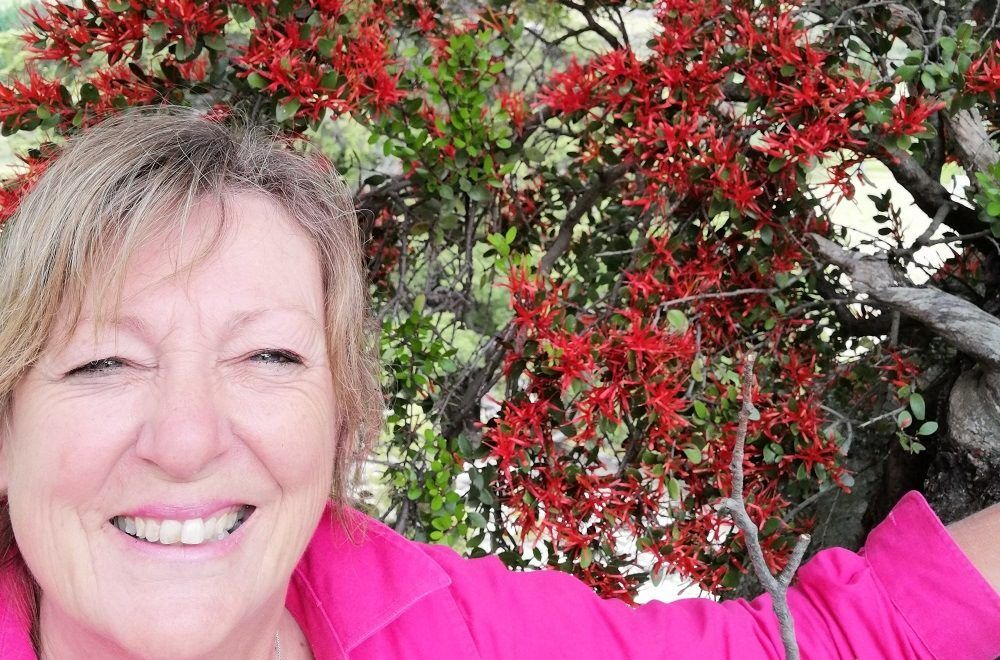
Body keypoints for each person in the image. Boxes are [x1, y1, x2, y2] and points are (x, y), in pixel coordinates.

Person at [0, 107, 996, 660]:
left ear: (343, 423)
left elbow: (835, 642)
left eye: (269, 356)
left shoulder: (455, 634)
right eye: (101, 362)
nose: (184, 438)